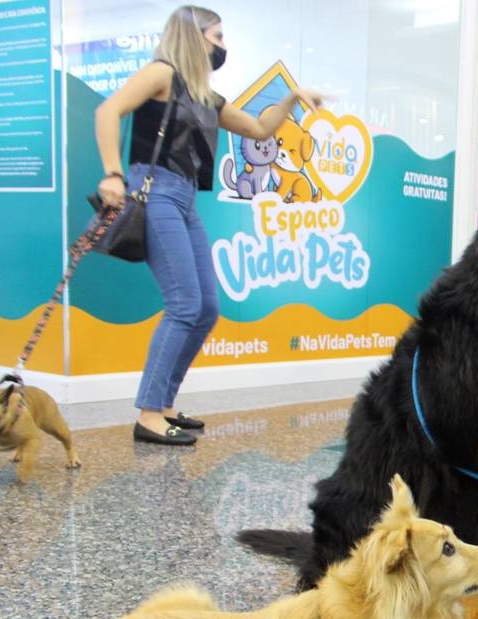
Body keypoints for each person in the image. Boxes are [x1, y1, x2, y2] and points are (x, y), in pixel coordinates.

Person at [94, 5, 324, 446]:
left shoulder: (205, 97)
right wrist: (112, 173)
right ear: (193, 35)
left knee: (206, 309)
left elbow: (259, 129)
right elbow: (108, 112)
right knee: (183, 305)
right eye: (217, 36)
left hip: (183, 198)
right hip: (155, 189)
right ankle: (148, 414)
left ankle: (163, 404)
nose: (222, 45)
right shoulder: (161, 73)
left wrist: (293, 100)